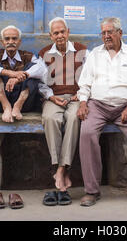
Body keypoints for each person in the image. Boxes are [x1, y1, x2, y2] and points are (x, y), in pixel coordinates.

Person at [77, 17, 127, 206]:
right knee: (87, 133)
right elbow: (84, 83)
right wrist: (83, 102)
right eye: (103, 33)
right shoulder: (94, 55)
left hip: (125, 107)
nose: (106, 36)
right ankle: (92, 190)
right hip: (97, 106)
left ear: (120, 33)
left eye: (110, 32)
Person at [38, 17, 88, 206]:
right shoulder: (44, 54)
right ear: (51, 35)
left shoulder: (82, 51)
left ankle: (60, 169)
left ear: (68, 32)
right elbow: (41, 83)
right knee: (50, 118)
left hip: (76, 97)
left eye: (62, 32)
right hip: (54, 97)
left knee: (75, 118)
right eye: (55, 33)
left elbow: (90, 76)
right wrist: (51, 97)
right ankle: (61, 167)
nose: (59, 36)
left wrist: (81, 94)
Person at [0, 25, 46, 122]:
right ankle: (6, 106)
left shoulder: (28, 56)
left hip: (24, 104)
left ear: (19, 42)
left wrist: (20, 77)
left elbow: (42, 69)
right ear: (2, 42)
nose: (11, 42)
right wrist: (10, 73)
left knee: (33, 69)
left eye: (14, 39)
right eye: (7, 39)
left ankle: (17, 106)